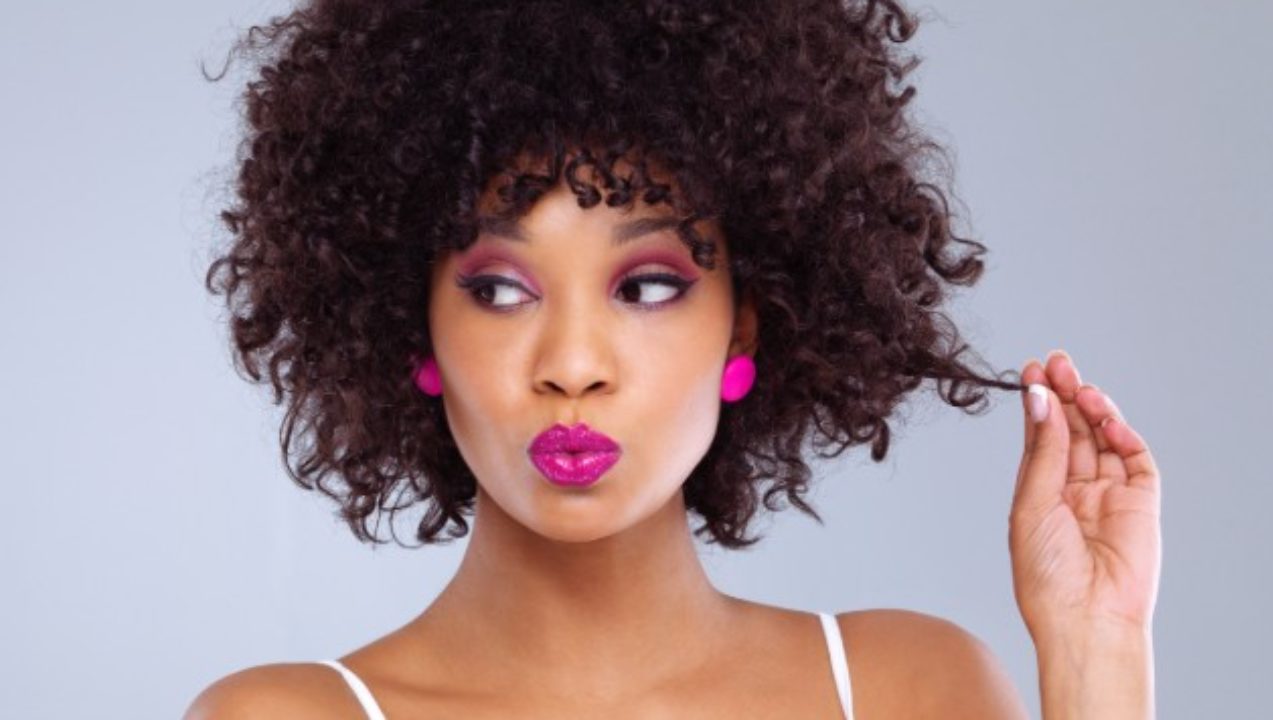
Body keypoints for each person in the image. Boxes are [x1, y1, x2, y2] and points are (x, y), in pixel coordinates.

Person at [186, 0, 1162, 717]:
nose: (573, 364)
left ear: (743, 328)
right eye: (500, 290)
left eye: (648, 286)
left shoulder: (908, 689)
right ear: (416, 334)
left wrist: (1097, 653)